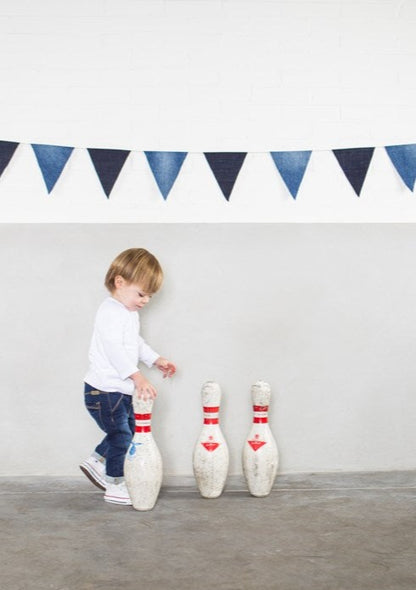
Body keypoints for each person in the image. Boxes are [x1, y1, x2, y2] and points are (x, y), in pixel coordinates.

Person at [80, 248, 176, 505]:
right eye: (141, 294)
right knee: (121, 436)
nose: (145, 301)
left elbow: (134, 344)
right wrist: (138, 377)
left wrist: (156, 360)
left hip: (117, 391)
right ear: (119, 282)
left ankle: (97, 461)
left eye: (150, 296)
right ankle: (114, 483)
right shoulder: (110, 312)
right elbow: (114, 350)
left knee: (128, 431)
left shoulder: (128, 314)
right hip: (103, 391)